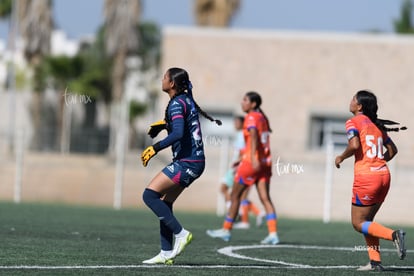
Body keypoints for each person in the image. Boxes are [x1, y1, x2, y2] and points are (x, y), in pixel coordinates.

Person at [141, 67, 221, 265]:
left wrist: (155, 148)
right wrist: (163, 124)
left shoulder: (177, 103)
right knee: (165, 203)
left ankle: (181, 233)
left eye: (164, 77)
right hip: (193, 161)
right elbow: (181, 126)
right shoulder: (184, 100)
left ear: (172, 84)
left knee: (149, 195)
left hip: (188, 162)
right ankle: (166, 253)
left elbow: (178, 134)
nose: (162, 79)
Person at [335, 90, 407, 271]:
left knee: (358, 223)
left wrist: (341, 157)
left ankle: (394, 235)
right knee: (368, 222)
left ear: (359, 106)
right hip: (383, 175)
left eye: (353, 99)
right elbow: (393, 150)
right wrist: (378, 163)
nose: (350, 101)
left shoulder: (352, 122)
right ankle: (375, 262)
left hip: (367, 177)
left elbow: (354, 145)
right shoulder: (376, 126)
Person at [207, 91, 279, 244]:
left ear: (253, 104)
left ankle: (226, 230)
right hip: (265, 162)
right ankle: (273, 234)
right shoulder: (262, 117)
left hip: (251, 163)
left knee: (235, 196)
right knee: (265, 198)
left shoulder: (251, 117)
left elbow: (253, 136)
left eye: (245, 100)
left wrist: (252, 158)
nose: (242, 102)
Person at [219, 116, 264, 229]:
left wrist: (237, 164)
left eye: (236, 122)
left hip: (238, 166)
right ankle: (256, 213)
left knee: (230, 191)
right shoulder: (242, 134)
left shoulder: (242, 135)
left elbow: (242, 152)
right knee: (239, 194)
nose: (234, 124)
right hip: (240, 165)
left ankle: (236, 214)